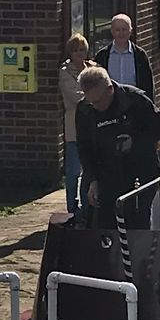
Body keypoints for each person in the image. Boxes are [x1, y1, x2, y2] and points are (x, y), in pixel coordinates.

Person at [75, 61, 160, 229]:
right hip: (106, 175)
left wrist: (135, 140)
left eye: (98, 101)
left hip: (139, 174)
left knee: (137, 225)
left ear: (109, 89)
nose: (95, 107)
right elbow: (84, 148)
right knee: (106, 225)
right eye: (91, 102)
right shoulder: (85, 110)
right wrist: (93, 179)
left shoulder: (135, 100)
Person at [57, 30, 91, 216]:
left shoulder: (93, 68)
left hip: (92, 127)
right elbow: (76, 97)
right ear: (70, 52)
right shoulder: (65, 73)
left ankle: (87, 205)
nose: (79, 54)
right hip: (74, 127)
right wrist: (94, 95)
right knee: (73, 171)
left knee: (89, 170)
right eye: (76, 50)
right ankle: (72, 206)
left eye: (82, 50)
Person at [95, 12, 154, 97]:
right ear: (112, 31)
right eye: (118, 30)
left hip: (134, 101)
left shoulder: (140, 55)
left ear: (130, 31)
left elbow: (148, 84)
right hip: (110, 101)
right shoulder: (102, 56)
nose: (121, 33)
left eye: (124, 29)